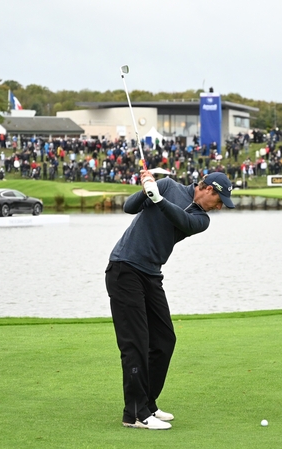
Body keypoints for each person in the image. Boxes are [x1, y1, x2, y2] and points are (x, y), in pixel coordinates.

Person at [105, 170, 235, 430]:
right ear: (209, 189)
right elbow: (129, 207)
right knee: (136, 343)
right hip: (124, 269)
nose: (219, 207)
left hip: (151, 275)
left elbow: (181, 220)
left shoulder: (201, 219)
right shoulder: (166, 186)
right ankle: (135, 414)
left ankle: (147, 403)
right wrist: (146, 189)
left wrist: (158, 199)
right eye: (219, 201)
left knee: (164, 340)